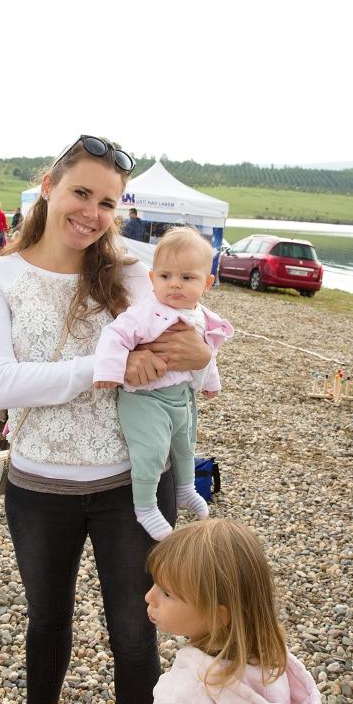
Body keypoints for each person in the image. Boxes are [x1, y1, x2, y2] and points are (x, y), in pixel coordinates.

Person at [0, 134, 213, 704]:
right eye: (81, 193)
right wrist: (109, 367)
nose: (92, 213)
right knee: (46, 620)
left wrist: (201, 352)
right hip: (38, 485)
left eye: (107, 203)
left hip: (132, 483)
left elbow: (189, 346)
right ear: (48, 187)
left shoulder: (135, 271)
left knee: (135, 629)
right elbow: (1, 385)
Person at [93, 226, 233, 539]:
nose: (175, 284)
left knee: (185, 445)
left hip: (181, 397)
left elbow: (208, 351)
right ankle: (144, 506)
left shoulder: (202, 315)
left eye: (187, 277)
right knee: (151, 451)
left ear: (207, 283)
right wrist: (110, 371)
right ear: (152, 278)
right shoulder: (147, 312)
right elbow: (115, 336)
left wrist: (211, 381)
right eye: (166, 276)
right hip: (145, 398)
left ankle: (185, 488)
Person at [145, 519, 321, 704]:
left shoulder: (181, 697)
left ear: (217, 616)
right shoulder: (273, 664)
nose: (149, 597)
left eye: (167, 593)